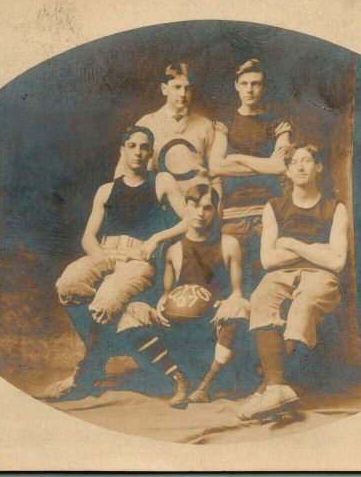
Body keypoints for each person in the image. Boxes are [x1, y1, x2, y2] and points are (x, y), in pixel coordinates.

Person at [48, 126, 187, 401]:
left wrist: (157, 238)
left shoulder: (161, 181)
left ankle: (86, 373)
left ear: (150, 152)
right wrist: (103, 259)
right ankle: (97, 359)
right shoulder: (106, 189)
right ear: (122, 151)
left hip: (139, 257)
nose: (138, 152)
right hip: (106, 251)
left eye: (144, 146)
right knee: (69, 284)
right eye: (132, 146)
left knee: (106, 301)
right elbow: (88, 236)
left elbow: (189, 220)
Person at [238, 144, 349, 420]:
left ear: (319, 167)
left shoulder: (335, 208)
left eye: (307, 160)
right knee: (261, 297)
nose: (300, 166)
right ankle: (277, 388)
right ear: (287, 170)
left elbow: (337, 263)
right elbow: (268, 260)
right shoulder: (274, 207)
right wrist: (316, 249)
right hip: (280, 274)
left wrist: (291, 243)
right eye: (294, 162)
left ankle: (267, 388)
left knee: (305, 302)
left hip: (321, 276)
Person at [146, 184, 250, 406]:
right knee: (133, 313)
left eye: (207, 208)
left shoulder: (229, 244)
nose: (200, 214)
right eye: (194, 206)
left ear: (215, 211)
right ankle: (178, 381)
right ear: (184, 207)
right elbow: (165, 294)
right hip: (181, 327)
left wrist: (229, 303)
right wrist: (161, 302)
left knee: (240, 306)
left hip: (215, 326)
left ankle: (206, 385)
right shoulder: (173, 250)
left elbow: (237, 292)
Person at [209, 58, 294, 296]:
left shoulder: (278, 121)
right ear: (236, 85)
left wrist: (238, 158)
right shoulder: (226, 120)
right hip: (233, 213)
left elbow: (280, 167)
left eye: (255, 84)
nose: (249, 89)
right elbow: (215, 165)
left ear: (264, 87)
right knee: (232, 286)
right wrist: (264, 163)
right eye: (244, 83)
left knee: (266, 281)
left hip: (268, 211)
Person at [115, 61, 215, 195]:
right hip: (159, 205)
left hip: (197, 206)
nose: (182, 94)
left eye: (187, 88)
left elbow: (216, 173)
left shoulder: (205, 125)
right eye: (177, 87)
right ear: (164, 89)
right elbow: (123, 170)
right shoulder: (146, 123)